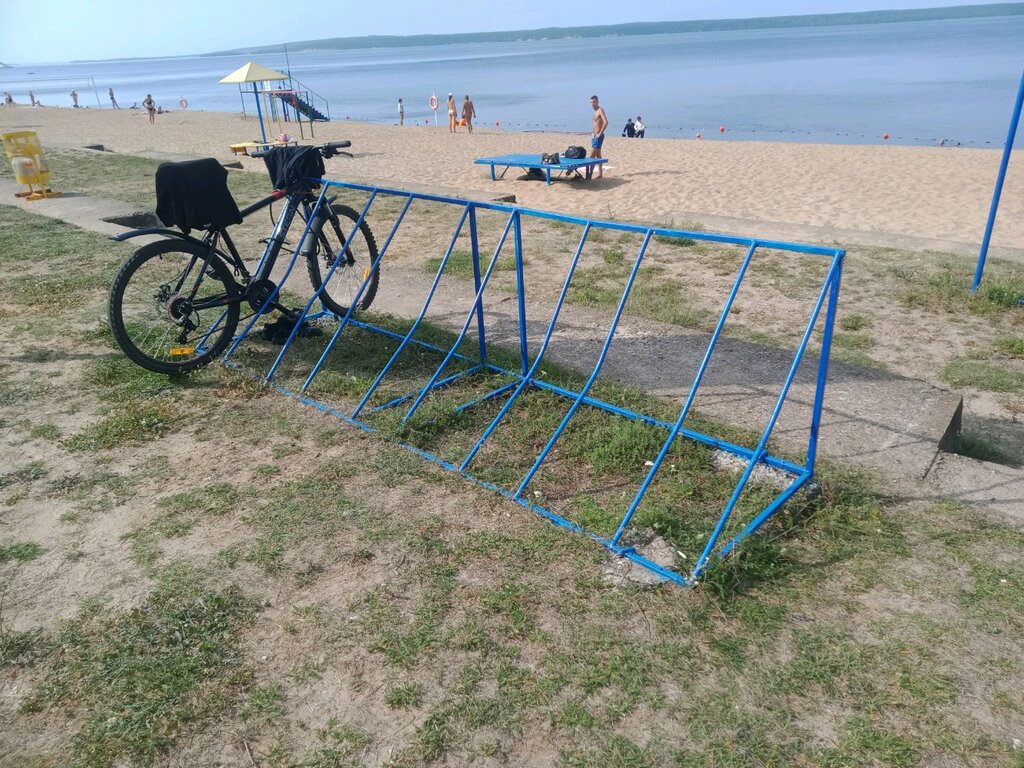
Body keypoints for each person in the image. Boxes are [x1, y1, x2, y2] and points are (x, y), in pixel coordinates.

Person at [589, 95, 608, 179]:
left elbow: (606, 122)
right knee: (598, 156)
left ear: (597, 102)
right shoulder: (596, 111)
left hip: (598, 137)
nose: (592, 104)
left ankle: (589, 175)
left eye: (594, 102)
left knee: (591, 157)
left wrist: (600, 133)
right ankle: (600, 174)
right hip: (594, 136)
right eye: (591, 102)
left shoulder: (600, 110)